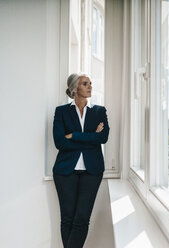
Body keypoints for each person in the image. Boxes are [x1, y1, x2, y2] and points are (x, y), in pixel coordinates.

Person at [52, 73, 110, 248]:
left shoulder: (100, 111)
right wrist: (91, 137)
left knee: (82, 218)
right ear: (75, 89)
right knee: (67, 218)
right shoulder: (61, 111)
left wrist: (75, 136)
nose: (90, 86)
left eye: (90, 83)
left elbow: (104, 137)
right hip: (64, 172)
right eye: (85, 84)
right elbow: (59, 142)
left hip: (92, 172)